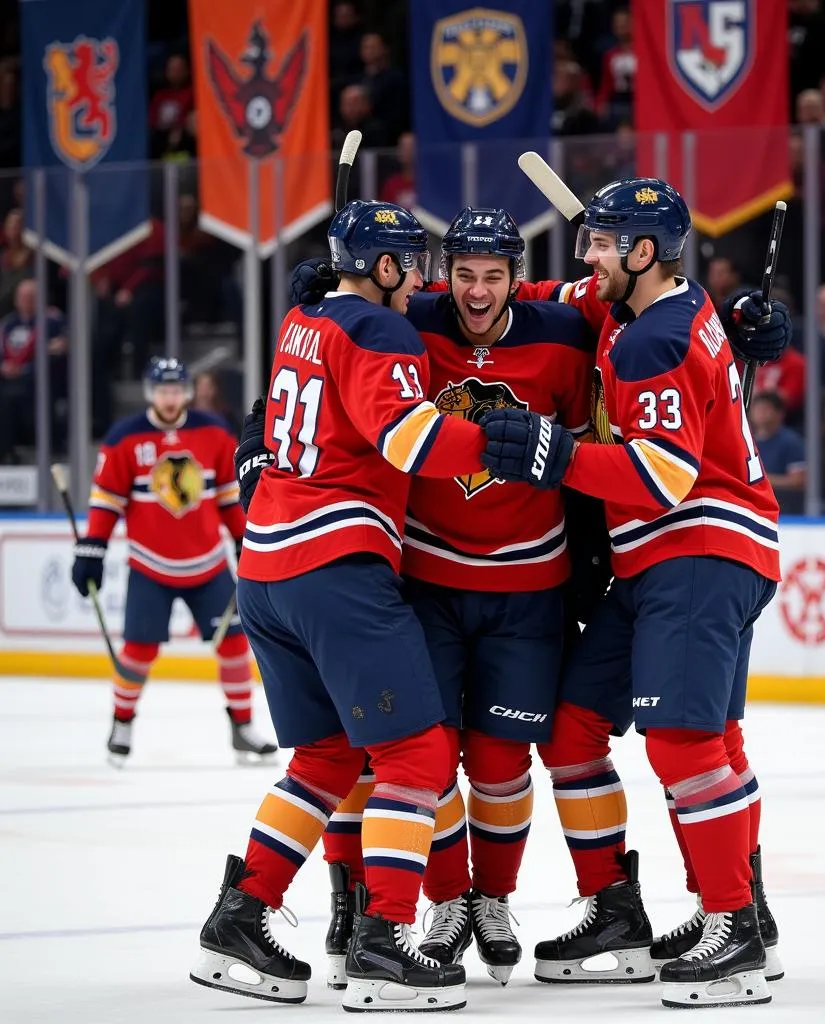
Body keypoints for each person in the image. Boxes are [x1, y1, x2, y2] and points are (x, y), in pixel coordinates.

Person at [479, 179, 789, 1007]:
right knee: (578, 725)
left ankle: (733, 930)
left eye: (601, 242)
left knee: (687, 745)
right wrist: (401, 295)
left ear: (643, 253)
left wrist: (557, 457)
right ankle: (628, 910)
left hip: (696, 550)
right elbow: (540, 295)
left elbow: (664, 472)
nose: (586, 256)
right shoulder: (650, 306)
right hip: (677, 559)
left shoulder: (653, 338)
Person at [271, 208, 597, 988]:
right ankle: (444, 900)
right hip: (427, 578)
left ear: (518, 277)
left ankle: (493, 897)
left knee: (497, 761)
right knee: (423, 754)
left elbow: (626, 300)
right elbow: (327, 349)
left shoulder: (558, 331)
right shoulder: (402, 316)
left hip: (528, 584)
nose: (476, 289)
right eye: (461, 272)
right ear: (433, 273)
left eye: (494, 275)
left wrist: (736, 321)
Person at [190, 200, 490, 1013]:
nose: (425, 277)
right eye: (411, 261)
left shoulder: (303, 315)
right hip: (336, 564)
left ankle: (240, 915)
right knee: (417, 757)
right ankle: (385, 943)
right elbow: (409, 439)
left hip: (266, 566)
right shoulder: (380, 331)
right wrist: (502, 439)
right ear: (384, 267)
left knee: (326, 758)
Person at [70, 357, 274, 767]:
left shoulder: (212, 432)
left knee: (235, 644)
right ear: (150, 393)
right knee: (138, 651)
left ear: (187, 391)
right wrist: (92, 547)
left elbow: (228, 496)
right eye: (162, 390)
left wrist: (241, 537)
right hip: (151, 566)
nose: (170, 397)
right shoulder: (125, 438)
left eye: (176, 389)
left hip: (208, 564)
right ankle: (122, 722)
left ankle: (243, 728)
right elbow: (107, 500)